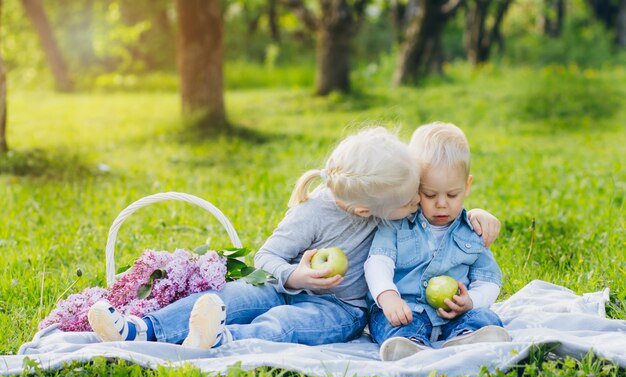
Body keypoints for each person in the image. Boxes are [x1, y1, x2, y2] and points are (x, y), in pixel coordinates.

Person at [87, 126, 500, 349]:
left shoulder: (392, 205)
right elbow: (265, 258)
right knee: (234, 297)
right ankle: (142, 330)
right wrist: (295, 278)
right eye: (413, 199)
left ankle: (219, 339)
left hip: (343, 308)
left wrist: (476, 214)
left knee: (284, 325)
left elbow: (442, 216)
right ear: (364, 211)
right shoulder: (315, 213)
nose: (419, 203)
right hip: (286, 286)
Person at [365, 122, 510, 362]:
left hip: (454, 312)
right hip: (405, 309)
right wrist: (388, 296)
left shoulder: (472, 229)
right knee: (389, 321)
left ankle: (468, 336)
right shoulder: (397, 223)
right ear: (413, 186)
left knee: (484, 318)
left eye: (452, 195)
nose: (442, 203)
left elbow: (489, 278)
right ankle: (409, 345)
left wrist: (471, 302)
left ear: (467, 186)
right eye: (430, 195)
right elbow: (377, 262)